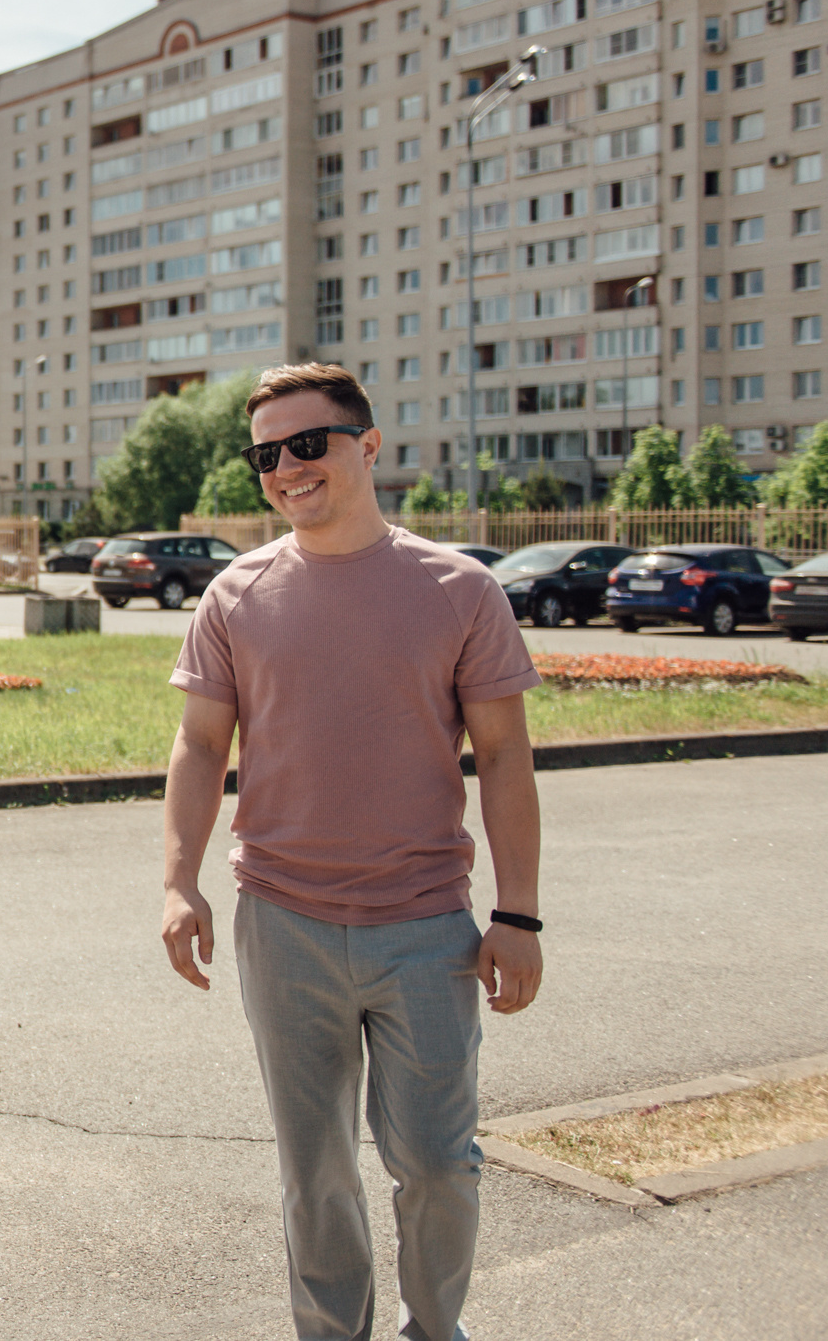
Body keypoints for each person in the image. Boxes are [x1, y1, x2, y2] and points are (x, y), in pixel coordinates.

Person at [158, 363, 544, 1341]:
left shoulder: (458, 589)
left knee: (440, 1162)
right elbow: (201, 746)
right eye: (266, 454)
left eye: (309, 443)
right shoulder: (236, 596)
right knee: (315, 1172)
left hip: (426, 929)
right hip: (281, 923)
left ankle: (434, 1329)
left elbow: (502, 756)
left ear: (368, 447)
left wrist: (519, 913)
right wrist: (178, 882)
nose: (287, 468)